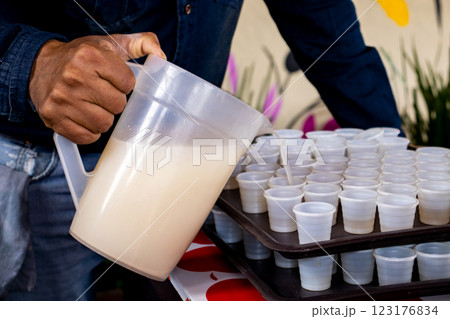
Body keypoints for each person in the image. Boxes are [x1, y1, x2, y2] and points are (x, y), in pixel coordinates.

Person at [0, 0, 402, 300]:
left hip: (182, 175)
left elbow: (335, 46)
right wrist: (36, 62)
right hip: (31, 159)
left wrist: (397, 159)